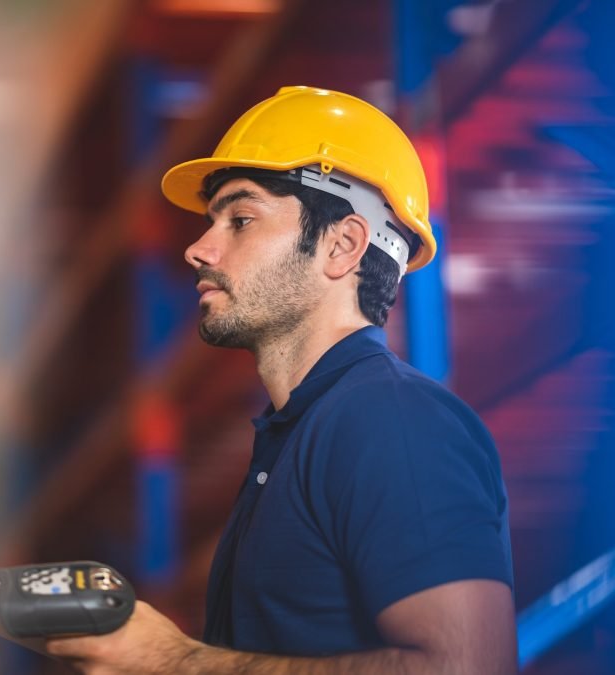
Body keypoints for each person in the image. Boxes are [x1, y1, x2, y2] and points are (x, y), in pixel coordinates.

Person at [47, 86, 516, 674]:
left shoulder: (391, 421)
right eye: (210, 220)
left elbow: (465, 668)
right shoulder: (300, 434)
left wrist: (179, 661)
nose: (198, 249)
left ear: (342, 246)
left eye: (240, 219)